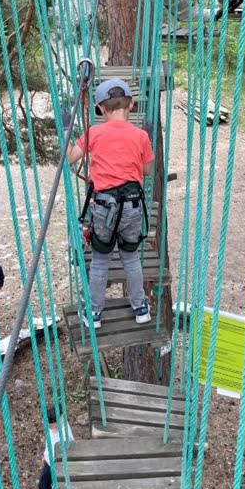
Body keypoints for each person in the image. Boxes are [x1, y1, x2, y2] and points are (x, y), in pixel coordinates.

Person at [68, 78, 154, 328]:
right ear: (132, 105)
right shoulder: (140, 135)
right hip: (132, 207)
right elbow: (147, 170)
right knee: (131, 259)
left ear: (101, 109)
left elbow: (71, 158)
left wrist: (67, 133)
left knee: (100, 261)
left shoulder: (94, 132)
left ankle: (94, 313)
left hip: (104, 207)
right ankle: (140, 308)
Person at [36, 406, 74, 489]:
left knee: (44, 485)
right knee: (44, 485)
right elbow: (49, 443)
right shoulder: (52, 427)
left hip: (57, 464)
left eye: (50, 424)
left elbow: (68, 452)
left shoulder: (64, 435)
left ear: (57, 421)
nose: (47, 426)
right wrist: (45, 454)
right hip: (49, 461)